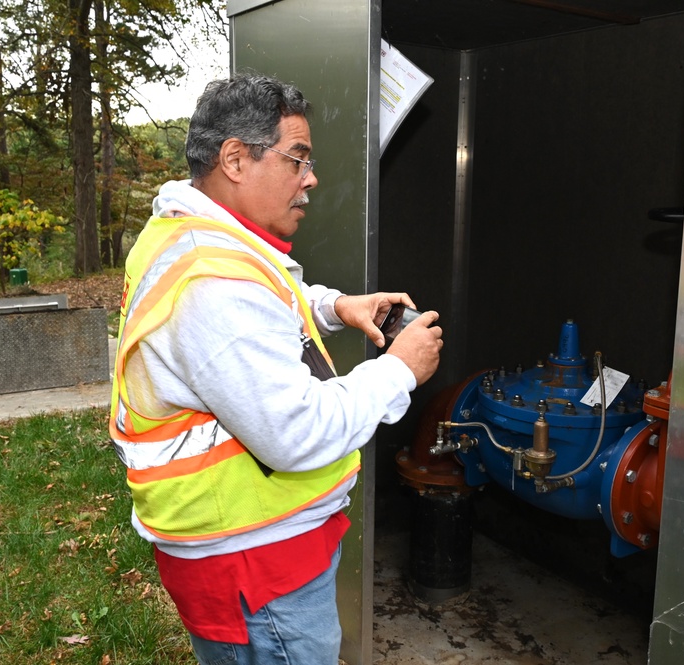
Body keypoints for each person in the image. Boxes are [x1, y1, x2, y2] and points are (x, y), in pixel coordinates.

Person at [109, 72, 443, 665]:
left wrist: (335, 306)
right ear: (235, 159)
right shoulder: (212, 285)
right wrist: (399, 370)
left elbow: (265, 303)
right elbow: (297, 431)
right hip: (255, 568)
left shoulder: (194, 236)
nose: (310, 178)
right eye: (297, 159)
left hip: (252, 549)